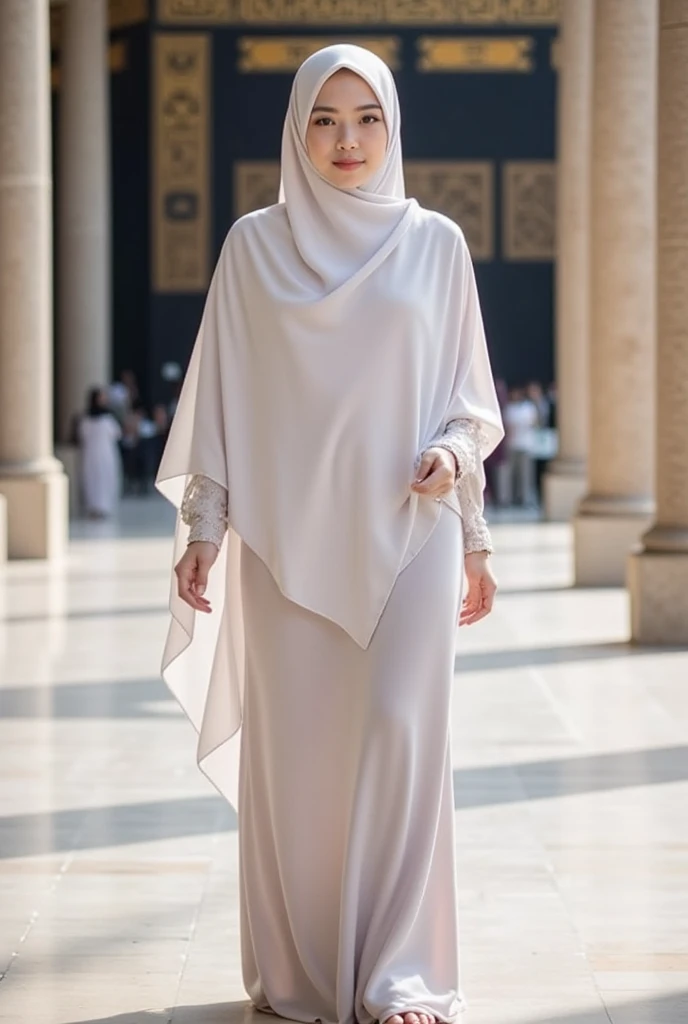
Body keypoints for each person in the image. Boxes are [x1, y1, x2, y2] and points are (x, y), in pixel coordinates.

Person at [156, 46, 503, 1024]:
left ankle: (399, 975)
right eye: (323, 118)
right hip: (281, 545)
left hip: (409, 531)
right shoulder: (250, 249)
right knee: (300, 757)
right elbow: (220, 405)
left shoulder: (434, 244)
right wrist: (203, 529)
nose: (346, 140)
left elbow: (468, 404)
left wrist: (463, 508)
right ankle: (305, 968)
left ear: (393, 130)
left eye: (366, 119)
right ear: (295, 128)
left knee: (402, 736)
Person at [78, 387, 122, 519]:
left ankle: (98, 508)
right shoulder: (105, 420)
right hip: (102, 454)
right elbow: (117, 434)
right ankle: (98, 507)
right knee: (95, 479)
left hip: (93, 454)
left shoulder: (87, 420)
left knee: (98, 479)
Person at [502, 386, 538, 507]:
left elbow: (535, 423)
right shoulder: (510, 408)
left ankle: (524, 498)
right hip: (512, 445)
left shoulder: (528, 407)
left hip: (526, 444)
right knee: (510, 473)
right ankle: (508, 498)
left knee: (525, 474)